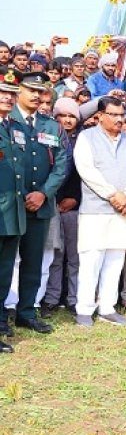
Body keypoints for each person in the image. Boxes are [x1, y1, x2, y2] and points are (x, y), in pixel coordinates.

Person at [72, 96, 126, 327]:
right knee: (91, 259)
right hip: (96, 209)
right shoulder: (86, 137)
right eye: (113, 115)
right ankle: (84, 309)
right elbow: (86, 170)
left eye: (121, 115)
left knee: (115, 260)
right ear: (100, 116)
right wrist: (114, 195)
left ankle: (107, 308)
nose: (118, 120)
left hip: (125, 209)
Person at [8, 71, 69, 334]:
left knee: (33, 262)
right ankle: (2, 314)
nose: (35, 95)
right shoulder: (6, 121)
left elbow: (62, 164)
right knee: (5, 263)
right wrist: (21, 194)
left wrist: (44, 193)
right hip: (12, 206)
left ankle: (26, 312)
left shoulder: (50, 126)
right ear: (18, 91)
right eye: (30, 90)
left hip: (40, 205)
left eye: (40, 91)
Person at [43, 97, 82, 315]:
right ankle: (51, 298)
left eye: (71, 116)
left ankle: (73, 298)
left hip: (74, 205)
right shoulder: (47, 138)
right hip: (50, 203)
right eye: (62, 116)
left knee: (75, 257)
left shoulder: (82, 140)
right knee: (55, 256)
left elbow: (82, 175)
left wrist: (75, 197)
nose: (67, 120)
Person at [0, 69, 25, 352]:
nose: (7, 98)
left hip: (12, 214)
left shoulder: (14, 127)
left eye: (11, 94)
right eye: (2, 93)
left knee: (5, 272)